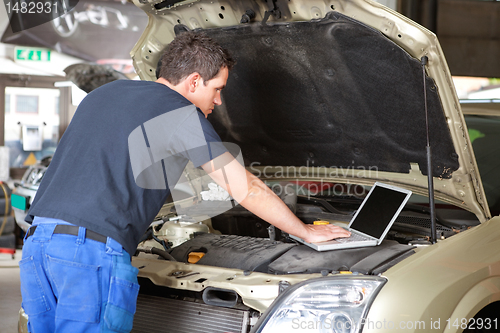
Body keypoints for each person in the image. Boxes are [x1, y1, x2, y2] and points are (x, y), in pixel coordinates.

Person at [20, 31, 350, 333]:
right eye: (217, 88)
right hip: (89, 254)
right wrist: (304, 230)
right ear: (194, 82)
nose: (219, 101)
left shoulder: (104, 94)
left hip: (38, 244)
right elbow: (244, 187)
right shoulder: (179, 113)